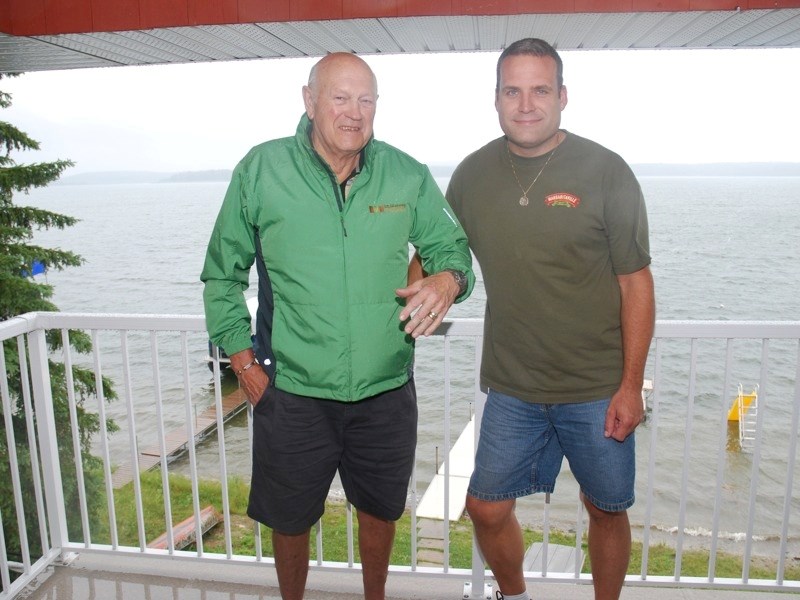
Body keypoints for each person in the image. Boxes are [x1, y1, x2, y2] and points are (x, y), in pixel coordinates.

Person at [201, 52, 474, 600]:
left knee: (380, 512)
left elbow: (455, 252)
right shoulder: (262, 169)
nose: (354, 113)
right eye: (340, 97)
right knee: (290, 520)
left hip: (385, 391)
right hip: (294, 391)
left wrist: (448, 281)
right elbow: (220, 276)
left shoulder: (406, 173)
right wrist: (242, 360)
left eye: (366, 100)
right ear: (309, 100)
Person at [445, 38, 655, 600]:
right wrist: (431, 281)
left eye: (540, 89)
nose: (526, 103)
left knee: (605, 508)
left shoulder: (607, 171)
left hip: (596, 387)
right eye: (512, 90)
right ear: (495, 99)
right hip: (512, 386)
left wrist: (631, 386)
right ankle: (513, 595)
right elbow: (442, 254)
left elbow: (636, 283)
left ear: (562, 96)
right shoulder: (470, 175)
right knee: (484, 507)